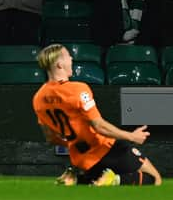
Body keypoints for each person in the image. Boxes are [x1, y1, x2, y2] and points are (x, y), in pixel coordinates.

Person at [32, 44, 163, 186]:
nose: (71, 58)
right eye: (68, 56)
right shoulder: (78, 89)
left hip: (81, 159)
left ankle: (75, 178)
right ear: (59, 65)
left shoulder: (38, 98)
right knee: (154, 178)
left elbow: (50, 138)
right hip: (106, 148)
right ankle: (112, 180)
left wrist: (74, 143)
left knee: (98, 178)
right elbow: (99, 126)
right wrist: (131, 136)